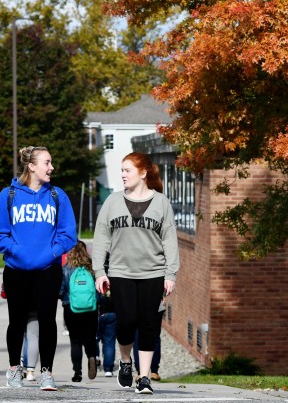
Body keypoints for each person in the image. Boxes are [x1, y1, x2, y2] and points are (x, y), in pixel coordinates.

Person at [0, 146, 77, 391]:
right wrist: (17, 251)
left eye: (51, 162)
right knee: (16, 322)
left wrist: (50, 253)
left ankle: (46, 373)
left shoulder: (58, 195)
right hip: (16, 270)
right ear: (32, 167)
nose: (52, 167)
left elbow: (68, 234)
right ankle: (14, 369)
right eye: (47, 163)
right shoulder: (9, 195)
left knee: (48, 321)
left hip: (48, 270)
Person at [92, 152, 179, 395]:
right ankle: (126, 361)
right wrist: (100, 271)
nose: (122, 175)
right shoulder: (112, 201)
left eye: (127, 170)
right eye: (121, 170)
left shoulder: (161, 202)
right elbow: (101, 238)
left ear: (143, 173)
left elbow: (170, 240)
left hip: (153, 272)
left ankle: (144, 377)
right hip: (121, 272)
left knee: (149, 324)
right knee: (127, 321)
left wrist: (170, 274)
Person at [60, 240, 99, 382]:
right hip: (91, 309)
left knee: (75, 341)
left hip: (71, 308)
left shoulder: (65, 268)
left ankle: (78, 373)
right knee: (89, 338)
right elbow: (99, 290)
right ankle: (92, 357)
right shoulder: (92, 268)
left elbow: (61, 290)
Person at [96, 290, 118, 377]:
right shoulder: (116, 279)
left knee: (95, 338)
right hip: (113, 314)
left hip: (98, 313)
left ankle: (95, 356)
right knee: (109, 342)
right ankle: (108, 369)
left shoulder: (97, 279)